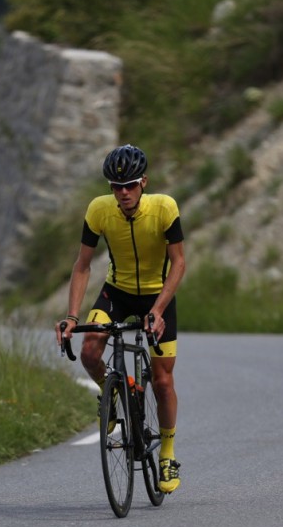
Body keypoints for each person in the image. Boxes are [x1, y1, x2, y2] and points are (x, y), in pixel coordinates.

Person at [55, 145, 187, 493]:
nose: (123, 192)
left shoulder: (164, 208)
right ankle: (111, 392)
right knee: (89, 352)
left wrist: (158, 310)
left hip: (157, 295)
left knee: (162, 382)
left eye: (129, 185)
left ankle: (167, 454)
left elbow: (179, 263)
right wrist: (71, 316)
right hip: (118, 291)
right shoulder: (99, 210)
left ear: (143, 182)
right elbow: (82, 266)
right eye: (116, 186)